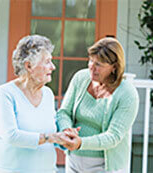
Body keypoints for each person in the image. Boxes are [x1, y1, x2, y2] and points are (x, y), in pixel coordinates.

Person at [56, 37, 139, 173]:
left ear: (114, 67)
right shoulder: (80, 78)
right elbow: (64, 112)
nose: (92, 68)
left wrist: (81, 143)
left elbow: (113, 136)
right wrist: (67, 130)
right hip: (73, 160)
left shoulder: (127, 94)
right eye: (91, 61)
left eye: (99, 64)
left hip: (105, 166)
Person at [0, 35, 68, 173]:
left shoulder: (48, 94)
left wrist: (65, 138)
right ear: (29, 66)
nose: (53, 67)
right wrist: (49, 137)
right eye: (47, 61)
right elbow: (11, 136)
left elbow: (51, 132)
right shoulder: (5, 93)